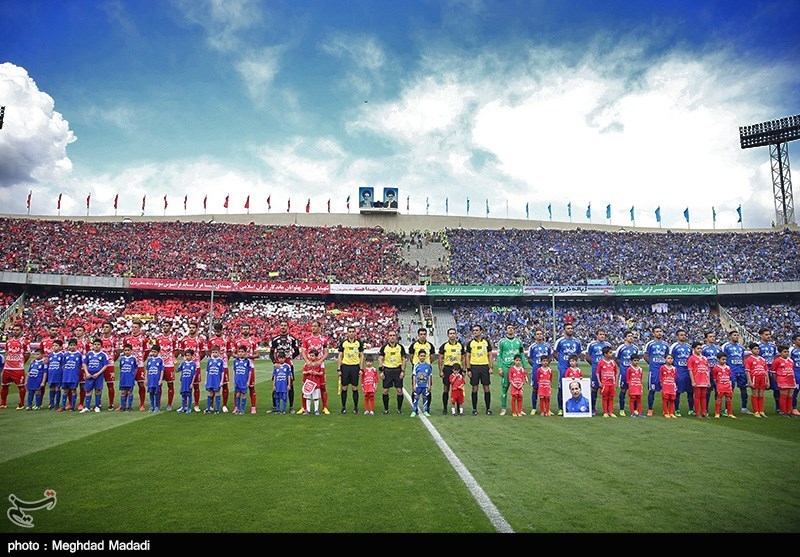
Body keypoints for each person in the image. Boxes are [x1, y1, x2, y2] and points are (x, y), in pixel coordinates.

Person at [270, 320, 300, 413]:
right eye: (281, 325)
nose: (283, 327)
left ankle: (291, 407)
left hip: (289, 365)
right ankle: (275, 406)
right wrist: (275, 362)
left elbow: (297, 351)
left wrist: (290, 359)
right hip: (278, 366)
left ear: (288, 327)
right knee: (275, 385)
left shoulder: (293, 339)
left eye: (285, 326)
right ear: (279, 327)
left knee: (290, 386)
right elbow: (271, 353)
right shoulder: (275, 339)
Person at [300, 320, 330, 414]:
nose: (313, 328)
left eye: (315, 326)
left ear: (319, 328)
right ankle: (304, 407)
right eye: (312, 326)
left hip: (320, 365)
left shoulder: (324, 340)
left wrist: (320, 361)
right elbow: (303, 351)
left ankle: (324, 407)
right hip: (309, 365)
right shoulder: (306, 339)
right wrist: (307, 361)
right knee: (306, 386)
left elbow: (326, 352)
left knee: (322, 386)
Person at [553, 323, 582, 415]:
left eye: (571, 328)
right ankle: (561, 408)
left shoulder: (577, 342)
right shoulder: (560, 341)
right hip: (563, 368)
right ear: (564, 330)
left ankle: (574, 407)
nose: (570, 330)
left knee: (575, 387)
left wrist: (575, 363)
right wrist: (561, 361)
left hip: (574, 369)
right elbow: (555, 353)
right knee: (561, 388)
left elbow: (579, 353)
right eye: (568, 328)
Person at [497, 324, 525, 416]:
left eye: (512, 328)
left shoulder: (519, 342)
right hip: (506, 367)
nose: (510, 329)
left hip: (517, 369)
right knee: (505, 387)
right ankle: (503, 408)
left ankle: (519, 409)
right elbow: (499, 355)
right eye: (508, 328)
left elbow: (522, 354)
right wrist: (500, 367)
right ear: (506, 330)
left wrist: (524, 367)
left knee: (519, 388)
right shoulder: (502, 342)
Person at [466, 324, 494, 416]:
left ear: (481, 331)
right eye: (474, 330)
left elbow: (490, 355)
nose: (475, 332)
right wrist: (468, 369)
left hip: (484, 367)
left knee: (486, 388)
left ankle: (488, 408)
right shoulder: (470, 343)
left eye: (477, 330)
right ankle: (474, 409)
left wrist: (490, 367)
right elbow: (467, 356)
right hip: (474, 367)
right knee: (475, 388)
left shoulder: (486, 342)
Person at [0, 323, 29, 410]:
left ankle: (21, 403)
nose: (15, 332)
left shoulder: (24, 341)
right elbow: (7, 352)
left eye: (17, 330)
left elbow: (27, 353)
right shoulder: (8, 341)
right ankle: (3, 403)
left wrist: (22, 362)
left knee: (20, 386)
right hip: (7, 367)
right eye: (14, 330)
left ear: (21, 331)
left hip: (18, 368)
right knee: (4, 385)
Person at [179, 321, 206, 412]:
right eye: (190, 327)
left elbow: (203, 352)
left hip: (196, 366)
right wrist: (187, 360)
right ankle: (185, 405)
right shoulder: (184, 340)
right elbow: (182, 351)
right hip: (186, 367)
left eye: (193, 327)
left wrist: (197, 360)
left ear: (197, 329)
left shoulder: (200, 340)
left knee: (196, 386)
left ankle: (196, 404)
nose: (191, 329)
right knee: (185, 385)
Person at [438, 327, 466, 415]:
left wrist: (464, 369)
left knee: (459, 389)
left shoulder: (460, 345)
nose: (452, 335)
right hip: (447, 368)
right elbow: (440, 358)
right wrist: (441, 370)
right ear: (448, 335)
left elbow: (463, 358)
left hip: (458, 369)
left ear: (456, 334)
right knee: (446, 388)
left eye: (454, 333)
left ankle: (458, 409)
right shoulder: (444, 346)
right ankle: (445, 408)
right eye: (450, 333)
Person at [234, 322, 260, 414]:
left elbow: (257, 354)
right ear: (241, 330)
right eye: (243, 329)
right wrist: (238, 356)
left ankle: (253, 407)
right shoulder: (237, 342)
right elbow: (233, 353)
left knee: (251, 387)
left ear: (249, 330)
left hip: (250, 367)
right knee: (237, 388)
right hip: (239, 367)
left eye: (247, 329)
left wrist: (248, 356)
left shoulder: (253, 341)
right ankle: (236, 407)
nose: (245, 330)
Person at [337, 326, 364, 414]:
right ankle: (343, 407)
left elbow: (362, 355)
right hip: (345, 367)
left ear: (355, 333)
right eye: (350, 331)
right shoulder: (343, 343)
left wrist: (361, 368)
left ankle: (356, 408)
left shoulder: (359, 342)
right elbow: (340, 356)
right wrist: (339, 368)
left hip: (355, 367)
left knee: (354, 387)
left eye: (353, 331)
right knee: (344, 388)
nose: (351, 333)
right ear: (347, 333)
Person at [123, 320, 148, 412]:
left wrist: (141, 361)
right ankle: (123, 405)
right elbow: (124, 350)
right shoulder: (126, 338)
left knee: (141, 383)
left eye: (135, 327)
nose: (133, 329)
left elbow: (146, 351)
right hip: (128, 365)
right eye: (132, 327)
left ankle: (142, 404)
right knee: (126, 385)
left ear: (140, 328)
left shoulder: (144, 339)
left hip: (139, 365)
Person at [379, 331, 407, 414]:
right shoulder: (384, 347)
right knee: (385, 390)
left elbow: (404, 359)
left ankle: (399, 409)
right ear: (388, 337)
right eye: (390, 335)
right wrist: (381, 371)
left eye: (393, 335)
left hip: (397, 370)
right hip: (387, 370)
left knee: (399, 390)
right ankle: (386, 409)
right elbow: (380, 359)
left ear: (396, 337)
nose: (392, 337)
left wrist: (402, 371)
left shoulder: (400, 347)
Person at [408, 327, 435, 414]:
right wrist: (416, 364)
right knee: (415, 389)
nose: (423, 336)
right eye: (421, 334)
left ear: (426, 335)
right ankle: (415, 408)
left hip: (427, 370)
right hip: (417, 369)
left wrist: (427, 365)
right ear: (418, 335)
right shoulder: (414, 345)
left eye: (424, 334)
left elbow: (432, 357)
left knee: (428, 389)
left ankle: (427, 408)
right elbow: (411, 357)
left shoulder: (430, 345)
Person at [722, 330, 749, 415]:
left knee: (744, 388)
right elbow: (722, 358)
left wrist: (744, 367)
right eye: (734, 335)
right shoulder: (725, 346)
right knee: (730, 390)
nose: (736, 336)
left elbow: (743, 358)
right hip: (731, 370)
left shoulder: (741, 347)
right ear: (730, 337)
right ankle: (727, 409)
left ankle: (744, 408)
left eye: (737, 335)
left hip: (740, 370)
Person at [644, 326, 669, 417]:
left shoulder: (666, 345)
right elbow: (646, 355)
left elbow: (667, 356)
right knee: (652, 390)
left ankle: (665, 410)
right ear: (654, 333)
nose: (659, 333)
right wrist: (651, 364)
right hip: (654, 371)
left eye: (660, 331)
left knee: (665, 390)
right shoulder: (650, 344)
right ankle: (650, 409)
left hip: (664, 371)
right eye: (657, 331)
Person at [208, 323, 233, 413]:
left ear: (222, 330)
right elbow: (208, 351)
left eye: (219, 330)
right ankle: (211, 405)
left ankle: (224, 405)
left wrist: (224, 361)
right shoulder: (211, 340)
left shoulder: (226, 340)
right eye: (216, 330)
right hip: (214, 366)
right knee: (213, 385)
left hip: (223, 365)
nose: (217, 332)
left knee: (225, 385)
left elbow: (229, 352)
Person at [154, 321, 178, 412]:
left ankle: (169, 404)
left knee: (170, 384)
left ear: (170, 327)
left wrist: (171, 358)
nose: (165, 327)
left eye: (167, 326)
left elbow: (176, 351)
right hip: (160, 364)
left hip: (169, 365)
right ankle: (158, 404)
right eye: (163, 326)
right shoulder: (158, 338)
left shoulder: (173, 338)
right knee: (158, 385)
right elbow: (156, 349)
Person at [670, 328, 694, 417]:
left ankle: (691, 409)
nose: (683, 336)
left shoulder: (689, 347)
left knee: (690, 392)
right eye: (681, 335)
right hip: (678, 372)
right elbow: (670, 358)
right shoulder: (674, 346)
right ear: (677, 336)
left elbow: (691, 359)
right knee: (677, 392)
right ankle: (676, 409)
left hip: (688, 373)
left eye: (684, 335)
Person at [615, 330, 639, 417]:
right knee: (623, 390)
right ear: (625, 338)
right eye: (629, 336)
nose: (631, 337)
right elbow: (616, 359)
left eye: (632, 336)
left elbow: (636, 359)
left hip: (634, 374)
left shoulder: (635, 348)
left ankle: (635, 409)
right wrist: (622, 367)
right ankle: (622, 409)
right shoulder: (621, 348)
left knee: (635, 392)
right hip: (624, 373)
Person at [81, 338, 110, 413]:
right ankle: (87, 407)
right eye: (95, 344)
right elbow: (84, 364)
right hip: (89, 375)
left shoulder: (103, 355)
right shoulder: (89, 354)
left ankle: (97, 406)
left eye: (98, 344)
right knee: (88, 390)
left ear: (101, 346)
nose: (96, 346)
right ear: (92, 346)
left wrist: (98, 373)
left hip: (98, 375)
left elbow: (105, 365)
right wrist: (86, 373)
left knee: (98, 390)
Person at [528, 328, 551, 416]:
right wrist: (535, 365)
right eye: (537, 334)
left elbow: (550, 357)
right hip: (536, 370)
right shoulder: (532, 346)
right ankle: (534, 408)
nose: (539, 335)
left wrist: (545, 365)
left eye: (541, 334)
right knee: (535, 388)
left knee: (546, 388)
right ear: (535, 336)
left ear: (543, 335)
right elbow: (529, 358)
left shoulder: (547, 346)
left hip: (546, 371)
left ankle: (547, 409)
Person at [97, 321, 118, 411]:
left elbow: (117, 352)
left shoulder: (114, 340)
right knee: (98, 385)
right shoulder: (99, 340)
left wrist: (112, 360)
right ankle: (98, 403)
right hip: (99, 366)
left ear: (111, 329)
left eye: (107, 327)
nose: (105, 328)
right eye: (104, 327)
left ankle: (111, 404)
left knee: (110, 384)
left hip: (109, 365)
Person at [758, 327, 780, 415]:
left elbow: (775, 356)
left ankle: (778, 407)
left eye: (769, 334)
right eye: (766, 335)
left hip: (772, 370)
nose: (768, 336)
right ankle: (759, 409)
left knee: (777, 389)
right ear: (761, 335)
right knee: (761, 389)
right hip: (762, 370)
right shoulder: (758, 345)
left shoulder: (773, 346)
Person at [771, 345, 797, 418]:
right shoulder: (777, 361)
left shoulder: (791, 360)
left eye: (787, 352)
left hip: (791, 380)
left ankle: (789, 411)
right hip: (782, 380)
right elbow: (773, 372)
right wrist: (777, 380)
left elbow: (792, 370)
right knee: (784, 395)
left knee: (790, 396)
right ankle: (783, 411)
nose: (787, 353)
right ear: (780, 353)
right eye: (784, 352)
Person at [688, 341, 711, 418]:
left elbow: (707, 370)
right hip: (697, 380)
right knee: (697, 396)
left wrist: (708, 381)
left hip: (704, 380)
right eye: (698, 348)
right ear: (693, 349)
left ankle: (704, 412)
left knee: (704, 396)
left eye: (701, 348)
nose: (700, 350)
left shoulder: (705, 358)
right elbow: (690, 370)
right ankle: (698, 412)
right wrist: (693, 381)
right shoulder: (691, 358)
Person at [745, 343, 769, 418]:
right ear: (751, 350)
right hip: (754, 377)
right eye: (755, 349)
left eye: (758, 349)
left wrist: (768, 381)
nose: (757, 350)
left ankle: (761, 410)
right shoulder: (749, 359)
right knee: (755, 394)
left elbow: (766, 371)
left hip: (762, 378)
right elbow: (747, 371)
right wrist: (749, 381)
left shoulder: (762, 359)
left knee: (761, 394)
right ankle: (756, 411)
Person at [60, 339, 83, 412]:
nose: (72, 347)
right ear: (68, 346)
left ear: (76, 346)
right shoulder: (65, 355)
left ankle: (72, 406)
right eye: (71, 345)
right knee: (65, 391)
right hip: (66, 376)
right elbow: (63, 365)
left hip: (74, 375)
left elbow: (79, 366)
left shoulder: (79, 355)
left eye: (74, 345)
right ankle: (63, 406)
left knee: (73, 390)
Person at [701, 331, 721, 414]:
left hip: (717, 373)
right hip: (707, 373)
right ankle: (705, 409)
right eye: (710, 336)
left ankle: (718, 410)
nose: (713, 338)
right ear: (706, 338)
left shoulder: (718, 348)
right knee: (707, 392)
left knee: (718, 391)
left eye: (713, 336)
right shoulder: (703, 348)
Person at [712, 353, 736, 419]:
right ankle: (717, 413)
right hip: (720, 386)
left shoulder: (728, 367)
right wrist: (717, 385)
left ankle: (730, 413)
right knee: (719, 399)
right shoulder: (715, 368)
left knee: (728, 399)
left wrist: (729, 384)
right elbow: (714, 378)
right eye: (723, 359)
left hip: (727, 386)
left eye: (725, 359)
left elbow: (729, 376)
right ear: (718, 359)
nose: (724, 361)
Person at [301, 349, 325, 415]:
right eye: (310, 355)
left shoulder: (319, 364)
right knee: (308, 397)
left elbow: (321, 373)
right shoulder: (307, 363)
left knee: (316, 397)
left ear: (316, 357)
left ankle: (316, 410)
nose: (311, 357)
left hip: (316, 383)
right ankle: (307, 410)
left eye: (313, 356)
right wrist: (308, 372)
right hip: (308, 383)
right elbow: (303, 372)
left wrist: (316, 373)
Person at [232, 346, 254, 415]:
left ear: (245, 353)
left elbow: (250, 371)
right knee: (237, 394)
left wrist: (248, 381)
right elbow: (234, 371)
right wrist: (234, 379)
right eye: (239, 352)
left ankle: (242, 409)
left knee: (244, 394)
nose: (240, 353)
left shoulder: (248, 361)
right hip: (237, 380)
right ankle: (238, 408)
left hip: (244, 380)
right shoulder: (235, 361)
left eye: (242, 352)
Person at [597, 346, 618, 418]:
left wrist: (616, 382)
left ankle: (611, 412)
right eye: (610, 353)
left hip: (612, 383)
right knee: (605, 397)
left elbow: (616, 373)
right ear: (605, 354)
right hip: (605, 383)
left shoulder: (613, 362)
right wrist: (599, 382)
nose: (612, 354)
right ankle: (605, 412)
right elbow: (597, 373)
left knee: (611, 397)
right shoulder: (601, 362)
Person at [410, 350, 432, 417]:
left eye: (424, 356)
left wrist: (429, 385)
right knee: (416, 397)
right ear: (418, 356)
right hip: (418, 385)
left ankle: (425, 411)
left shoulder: (428, 366)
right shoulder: (416, 366)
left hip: (425, 385)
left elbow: (429, 376)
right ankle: (414, 410)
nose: (422, 357)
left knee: (425, 397)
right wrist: (414, 385)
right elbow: (414, 376)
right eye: (421, 356)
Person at [117, 344, 138, 411]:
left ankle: (129, 407)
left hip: (130, 379)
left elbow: (135, 368)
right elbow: (121, 367)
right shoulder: (122, 359)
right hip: (123, 378)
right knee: (123, 392)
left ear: (131, 351)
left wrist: (133, 376)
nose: (127, 352)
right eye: (125, 350)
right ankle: (123, 407)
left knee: (129, 392)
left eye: (128, 350)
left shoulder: (133, 358)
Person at [204, 346, 225, 414]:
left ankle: (217, 409)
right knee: (210, 392)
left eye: (216, 352)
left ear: (219, 353)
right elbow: (207, 371)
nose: (214, 354)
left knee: (217, 392)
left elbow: (222, 372)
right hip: (210, 380)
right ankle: (208, 408)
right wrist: (206, 380)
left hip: (217, 380)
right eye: (213, 352)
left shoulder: (221, 361)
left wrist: (221, 381)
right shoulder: (209, 361)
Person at [176, 349, 197, 414]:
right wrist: (174, 364)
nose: (187, 357)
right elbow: (177, 370)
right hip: (184, 382)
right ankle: (183, 407)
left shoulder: (193, 364)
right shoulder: (183, 363)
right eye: (186, 355)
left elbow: (194, 374)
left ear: (192, 356)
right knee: (183, 395)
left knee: (189, 395)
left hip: (189, 382)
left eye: (188, 355)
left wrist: (192, 383)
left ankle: (189, 408)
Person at [46, 339, 65, 410]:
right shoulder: (50, 355)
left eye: (56, 346)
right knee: (51, 388)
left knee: (57, 388)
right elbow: (48, 365)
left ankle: (57, 404)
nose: (54, 347)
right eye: (53, 345)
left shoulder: (62, 355)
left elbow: (63, 366)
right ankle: (51, 403)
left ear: (60, 347)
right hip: (51, 374)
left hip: (58, 374)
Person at [144, 345, 164, 412]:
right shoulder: (149, 360)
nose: (153, 353)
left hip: (156, 380)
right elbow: (147, 370)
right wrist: (146, 379)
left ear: (158, 352)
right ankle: (152, 406)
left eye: (155, 352)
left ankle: (157, 406)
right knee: (151, 393)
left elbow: (162, 370)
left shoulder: (160, 360)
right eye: (152, 352)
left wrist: (160, 379)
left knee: (156, 393)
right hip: (150, 379)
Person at [660, 354, 678, 418]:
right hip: (665, 386)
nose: (670, 360)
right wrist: (662, 385)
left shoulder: (674, 368)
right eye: (668, 358)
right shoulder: (662, 367)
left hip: (672, 386)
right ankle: (665, 412)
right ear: (665, 359)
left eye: (671, 358)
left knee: (672, 399)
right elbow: (661, 377)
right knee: (665, 399)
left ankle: (671, 412)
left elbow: (675, 377)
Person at [790, 334, 800, 415]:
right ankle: (794, 408)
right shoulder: (791, 350)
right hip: (796, 372)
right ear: (794, 341)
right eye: (798, 340)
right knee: (795, 390)